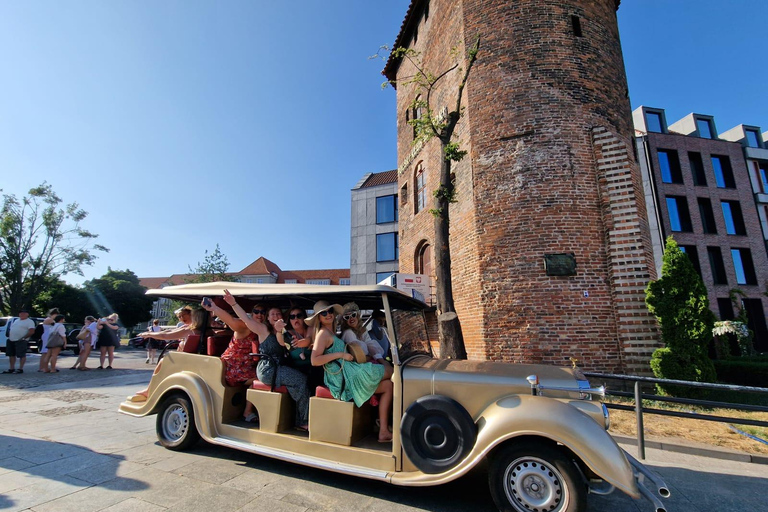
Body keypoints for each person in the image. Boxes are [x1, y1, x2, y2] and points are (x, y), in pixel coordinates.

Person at [309, 300, 393, 442]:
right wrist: (340, 355)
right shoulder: (322, 334)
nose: (328, 315)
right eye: (324, 313)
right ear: (319, 318)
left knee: (389, 386)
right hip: (342, 379)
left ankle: (383, 431)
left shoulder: (332, 331)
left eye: (330, 311)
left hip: (350, 371)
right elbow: (314, 360)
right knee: (392, 372)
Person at [228, 292, 309, 431]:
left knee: (303, 377)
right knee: (301, 380)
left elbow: (287, 346)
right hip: (268, 369)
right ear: (268, 318)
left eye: (278, 314)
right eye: (273, 314)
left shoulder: (285, 332)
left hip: (280, 367)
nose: (276, 316)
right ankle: (302, 421)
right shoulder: (263, 329)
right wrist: (233, 303)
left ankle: (294, 417)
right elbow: (246, 319)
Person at [201, 295, 260, 422]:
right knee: (263, 379)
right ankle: (248, 411)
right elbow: (230, 320)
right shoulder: (244, 325)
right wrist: (214, 308)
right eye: (256, 312)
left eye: (263, 312)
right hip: (232, 367)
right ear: (251, 313)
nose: (260, 315)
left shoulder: (260, 328)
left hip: (247, 366)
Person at [128, 308, 207, 402]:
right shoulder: (206, 330)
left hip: (185, 359)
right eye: (180, 316)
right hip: (195, 358)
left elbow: (165, 336)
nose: (181, 318)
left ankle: (150, 390)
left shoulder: (190, 330)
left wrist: (149, 334)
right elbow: (167, 332)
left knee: (163, 361)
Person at [339, 303, 393, 379]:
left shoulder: (361, 330)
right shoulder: (348, 333)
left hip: (364, 364)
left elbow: (370, 344)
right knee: (390, 372)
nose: (351, 318)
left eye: (353, 315)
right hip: (356, 368)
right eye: (347, 317)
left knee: (390, 370)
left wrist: (383, 362)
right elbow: (358, 355)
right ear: (344, 321)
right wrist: (372, 357)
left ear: (357, 316)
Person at [284, 306, 324, 393]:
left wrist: (298, 343)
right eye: (292, 317)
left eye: (299, 316)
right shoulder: (288, 333)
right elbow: (281, 340)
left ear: (304, 318)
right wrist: (280, 330)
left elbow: (309, 339)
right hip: (297, 370)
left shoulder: (310, 329)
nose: (296, 319)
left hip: (313, 370)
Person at [38, 308, 60, 372]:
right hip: (47, 336)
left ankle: (45, 366)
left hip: (49, 335)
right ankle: (42, 367)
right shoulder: (49, 319)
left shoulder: (50, 319)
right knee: (45, 352)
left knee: (47, 352)